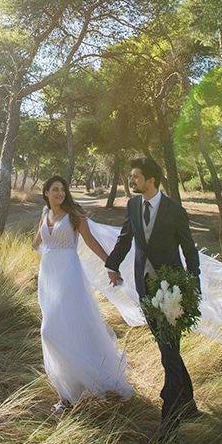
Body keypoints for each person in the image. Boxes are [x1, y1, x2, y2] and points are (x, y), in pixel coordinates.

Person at [105, 156, 200, 440]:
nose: (131, 181)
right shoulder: (133, 205)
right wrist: (112, 265)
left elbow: (190, 250)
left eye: (135, 177)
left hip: (171, 290)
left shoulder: (174, 209)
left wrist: (192, 284)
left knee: (169, 352)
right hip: (145, 288)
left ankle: (169, 419)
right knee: (167, 349)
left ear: (151, 180)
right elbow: (125, 238)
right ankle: (189, 404)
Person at [32, 174, 134, 412]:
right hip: (48, 276)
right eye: (55, 189)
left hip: (69, 275)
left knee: (50, 332)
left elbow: (91, 242)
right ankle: (67, 392)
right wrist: (46, 250)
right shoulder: (44, 214)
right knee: (60, 330)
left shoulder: (75, 217)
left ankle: (72, 392)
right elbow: (36, 243)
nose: (60, 193)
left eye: (63, 190)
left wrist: (110, 266)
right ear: (46, 192)